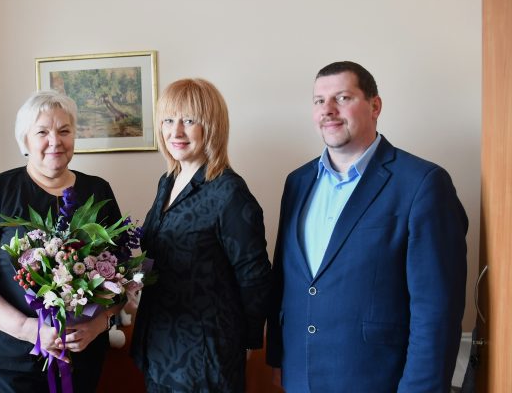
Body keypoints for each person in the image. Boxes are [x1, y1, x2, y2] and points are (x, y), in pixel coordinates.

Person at [266, 61, 468, 392]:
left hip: (378, 381)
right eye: (319, 101)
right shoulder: (298, 182)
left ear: (375, 106)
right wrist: (278, 360)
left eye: (342, 98)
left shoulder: (422, 184)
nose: (328, 110)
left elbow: (436, 312)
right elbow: (284, 282)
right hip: (300, 377)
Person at [0, 90, 122, 392]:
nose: (55, 141)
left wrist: (98, 325)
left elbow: (121, 278)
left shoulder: (98, 191)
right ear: (25, 140)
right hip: (10, 363)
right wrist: (29, 329)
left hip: (82, 359)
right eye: (42, 132)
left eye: (64, 131)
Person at [130, 78, 272, 392]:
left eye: (189, 121)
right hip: (158, 344)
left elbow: (255, 275)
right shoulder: (168, 181)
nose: (176, 132)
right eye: (168, 120)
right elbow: (159, 253)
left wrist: (247, 342)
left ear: (212, 127)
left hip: (204, 358)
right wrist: (129, 283)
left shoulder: (229, 192)